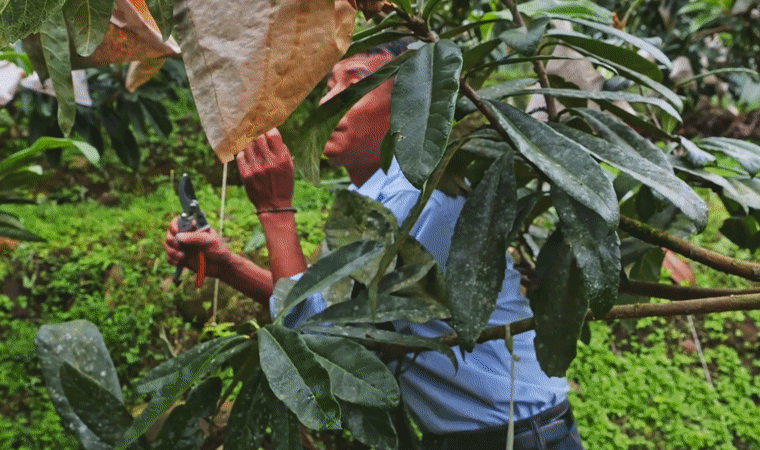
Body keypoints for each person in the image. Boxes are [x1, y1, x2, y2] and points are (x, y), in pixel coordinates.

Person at [165, 40, 584, 450]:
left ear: (410, 105)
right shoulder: (374, 199)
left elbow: (317, 332)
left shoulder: (421, 200)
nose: (329, 100)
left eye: (356, 82)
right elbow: (329, 310)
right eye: (330, 84)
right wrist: (226, 265)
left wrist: (275, 210)